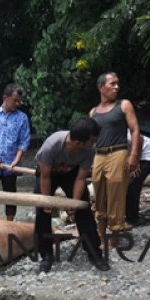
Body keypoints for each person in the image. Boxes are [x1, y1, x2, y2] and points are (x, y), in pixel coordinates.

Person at [35, 117, 109, 273]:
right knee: (42, 210)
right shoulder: (51, 146)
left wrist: (74, 203)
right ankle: (46, 254)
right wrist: (47, 201)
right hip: (48, 174)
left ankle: (94, 253)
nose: (94, 143)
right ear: (78, 142)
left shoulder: (89, 150)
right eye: (92, 140)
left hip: (72, 174)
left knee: (83, 207)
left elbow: (81, 177)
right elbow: (45, 177)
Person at [89, 72, 142, 245]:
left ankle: (115, 237)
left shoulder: (124, 105)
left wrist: (133, 155)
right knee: (100, 195)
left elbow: (135, 130)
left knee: (116, 195)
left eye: (117, 84)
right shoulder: (93, 112)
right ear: (101, 87)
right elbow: (91, 139)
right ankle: (101, 237)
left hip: (118, 153)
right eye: (112, 84)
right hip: (99, 155)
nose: (116, 87)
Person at [0, 83, 31, 221]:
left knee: (10, 196)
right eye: (15, 100)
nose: (17, 103)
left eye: (19, 100)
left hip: (10, 165)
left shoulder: (22, 118)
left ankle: (9, 224)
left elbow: (24, 141)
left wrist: (17, 160)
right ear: (5, 97)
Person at [126, 132, 150, 227]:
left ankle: (133, 218)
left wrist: (135, 160)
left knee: (133, 183)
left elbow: (139, 139)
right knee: (127, 182)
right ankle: (128, 212)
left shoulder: (119, 132)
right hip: (138, 154)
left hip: (148, 154)